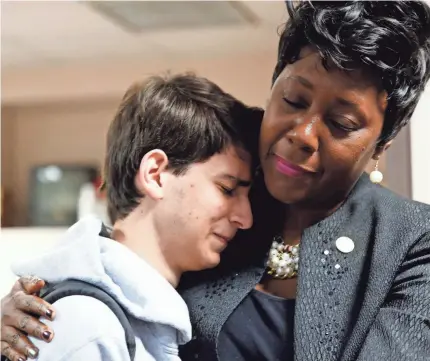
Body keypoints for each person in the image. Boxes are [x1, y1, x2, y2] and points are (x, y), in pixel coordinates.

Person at [2, 1, 430, 360]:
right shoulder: (225, 191)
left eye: (341, 123)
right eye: (293, 100)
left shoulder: (412, 243)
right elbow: (128, 251)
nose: (302, 135)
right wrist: (40, 300)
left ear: (382, 143)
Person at [0, 73, 261, 361]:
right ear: (155, 174)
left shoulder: (141, 318)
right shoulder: (89, 327)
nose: (244, 218)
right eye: (227, 189)